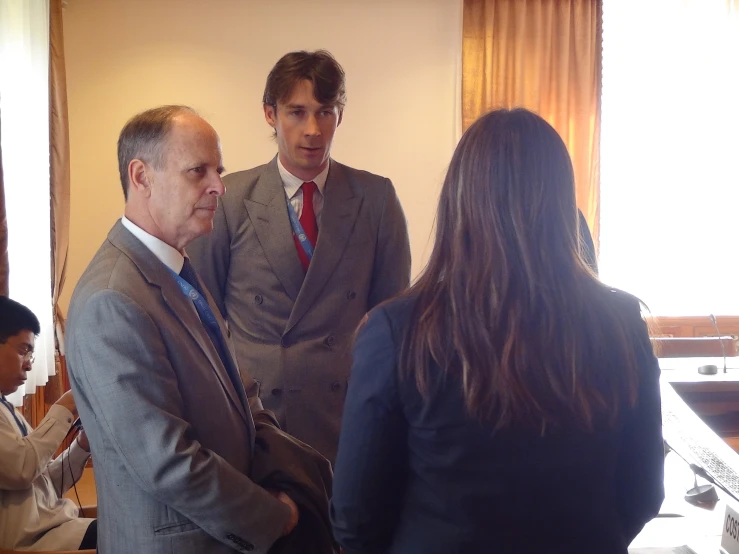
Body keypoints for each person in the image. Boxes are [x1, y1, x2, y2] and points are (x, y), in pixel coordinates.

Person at [330, 108, 665, 554]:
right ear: (563, 204)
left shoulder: (397, 330)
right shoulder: (621, 322)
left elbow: (356, 517)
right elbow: (642, 492)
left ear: (458, 201)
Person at [65, 106, 299, 554]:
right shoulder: (111, 300)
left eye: (218, 170)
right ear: (141, 177)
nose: (218, 186)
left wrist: (289, 469)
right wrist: (273, 515)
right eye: (198, 171)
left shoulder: (177, 269)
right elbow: (168, 462)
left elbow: (239, 390)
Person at [189, 50, 411, 462]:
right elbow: (205, 317)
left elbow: (393, 320)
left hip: (346, 413)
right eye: (297, 112)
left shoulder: (375, 198)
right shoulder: (230, 196)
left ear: (339, 116)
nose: (312, 129)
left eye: (325, 112)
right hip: (258, 416)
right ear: (270, 114)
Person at [0, 296, 96, 551]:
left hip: (56, 529)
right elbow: (22, 470)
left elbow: (47, 483)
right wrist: (64, 407)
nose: (30, 364)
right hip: (35, 541)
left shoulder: (7, 409)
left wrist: (82, 445)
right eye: (23, 350)